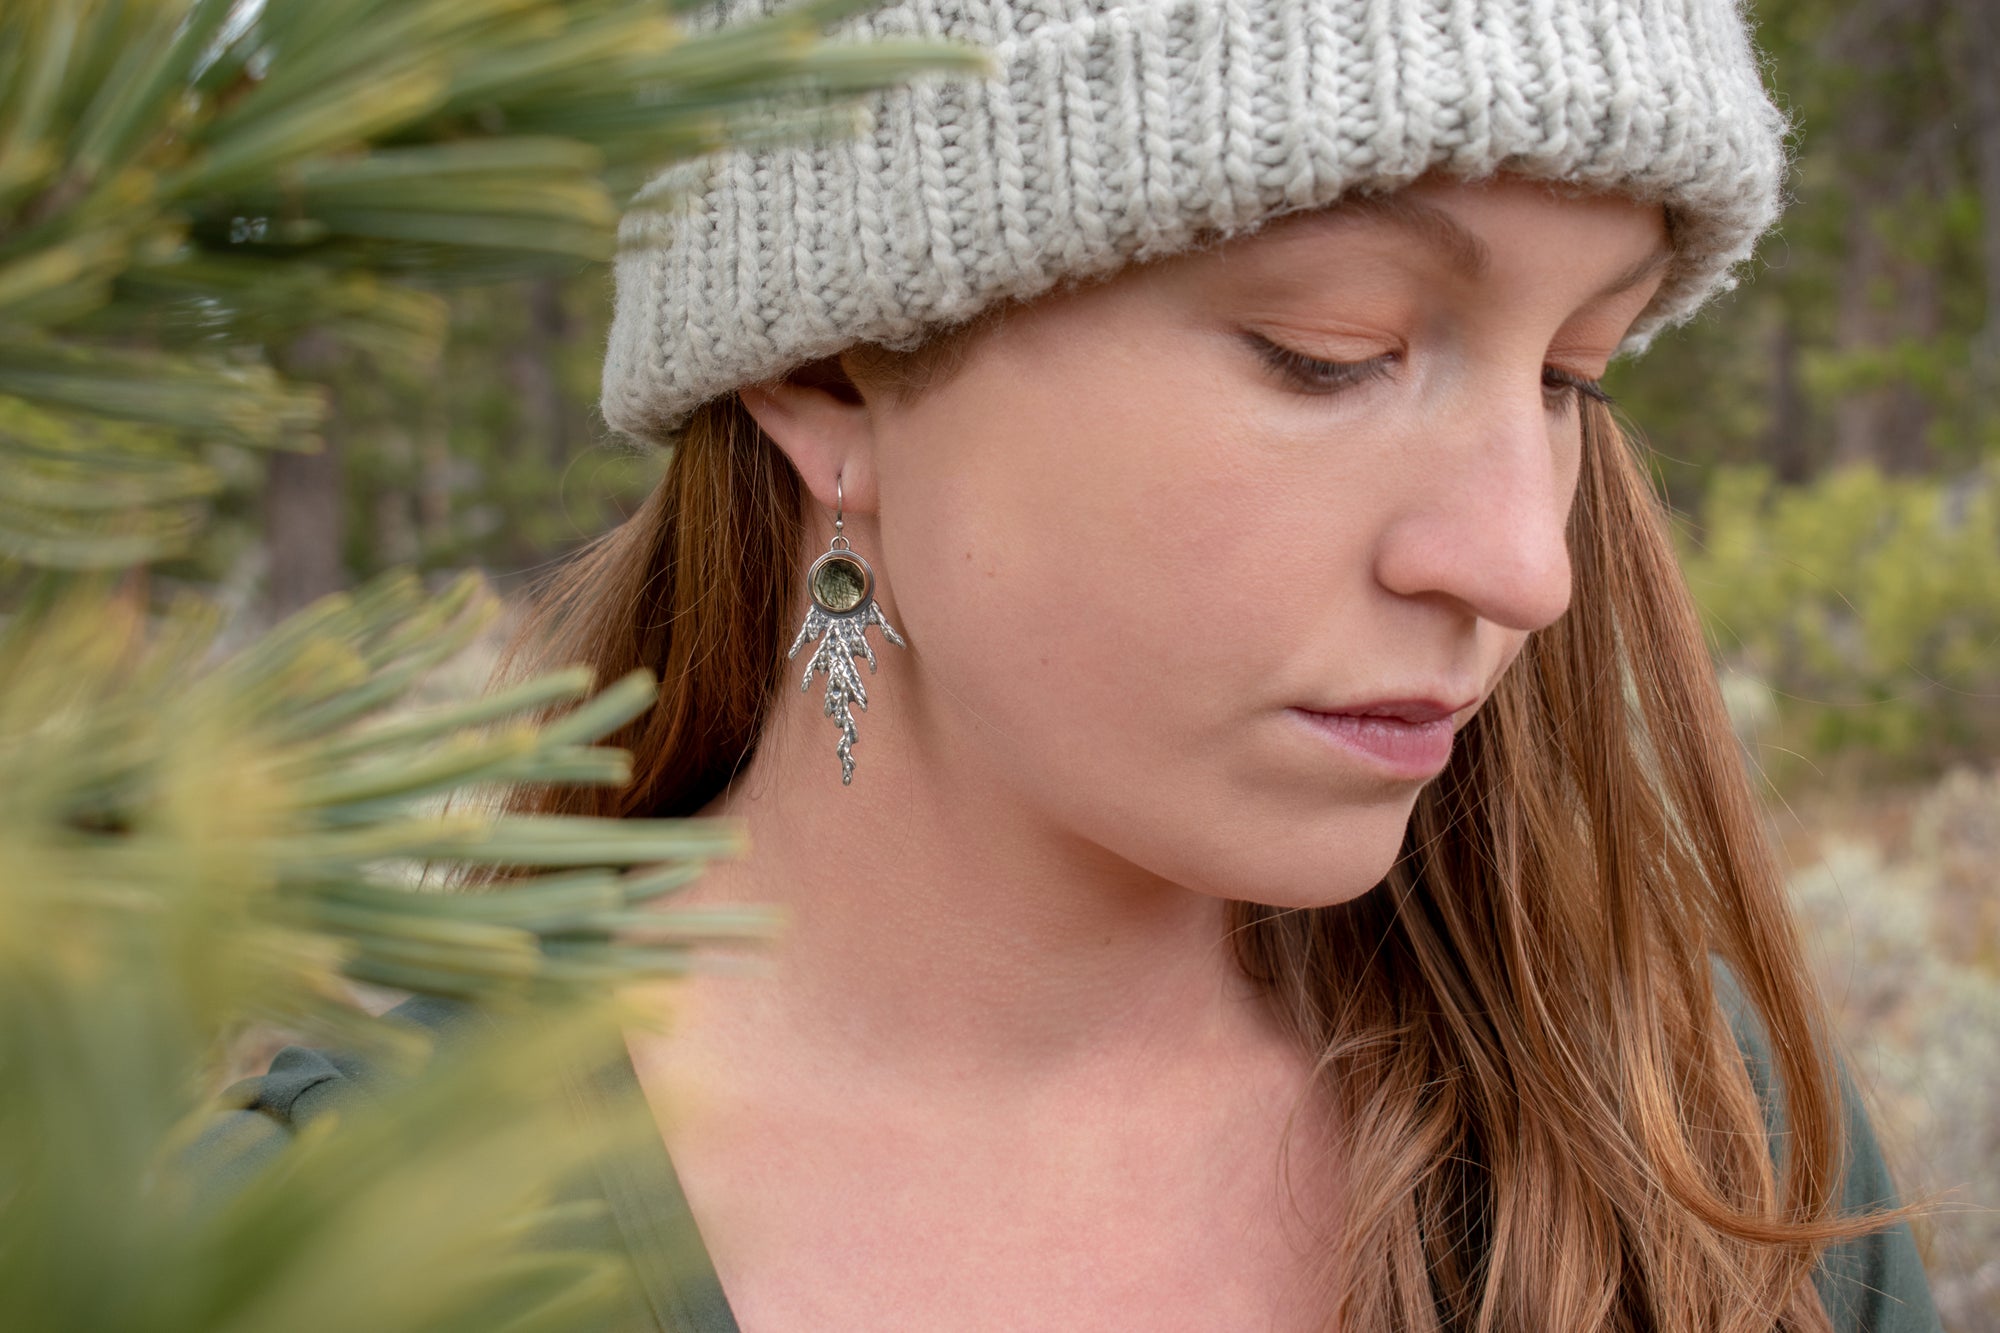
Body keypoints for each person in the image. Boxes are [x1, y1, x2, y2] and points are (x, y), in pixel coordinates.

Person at [191, 0, 1946, 1328]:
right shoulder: (314, 1254)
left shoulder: (1698, 1132)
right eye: (1327, 351)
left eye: (1572, 372)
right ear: (829, 376)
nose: (1521, 563)